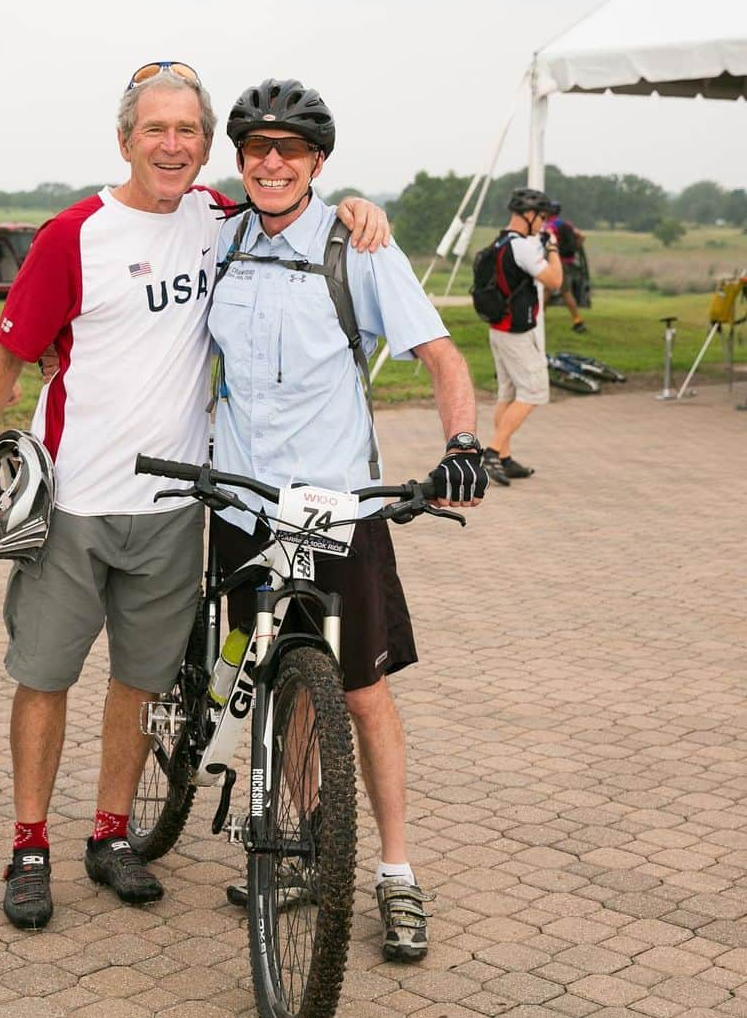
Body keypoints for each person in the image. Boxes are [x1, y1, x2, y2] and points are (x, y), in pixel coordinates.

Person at [0, 62, 389, 932]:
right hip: (74, 501)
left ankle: (110, 836)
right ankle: (29, 846)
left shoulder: (220, 219)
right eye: (156, 130)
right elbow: (2, 361)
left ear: (206, 143)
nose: (173, 146)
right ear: (125, 139)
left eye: (189, 131)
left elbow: (305, 208)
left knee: (140, 684)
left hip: (179, 506)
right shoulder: (75, 236)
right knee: (44, 677)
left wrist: (364, 207)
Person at [208, 78, 487, 964]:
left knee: (361, 693)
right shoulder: (219, 242)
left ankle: (396, 873)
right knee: (274, 684)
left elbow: (441, 357)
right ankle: (299, 849)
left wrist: (465, 444)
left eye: (291, 149)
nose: (273, 162)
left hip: (336, 509)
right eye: (257, 147)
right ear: (242, 161)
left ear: (319, 164)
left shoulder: (357, 246)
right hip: (244, 508)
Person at [480, 188, 562, 485]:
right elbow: (555, 280)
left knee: (509, 393)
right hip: (515, 332)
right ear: (528, 215)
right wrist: (552, 248)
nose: (543, 223)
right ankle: (491, 452)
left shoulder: (503, 241)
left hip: (500, 329)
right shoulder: (524, 247)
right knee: (534, 391)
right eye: (542, 218)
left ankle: (503, 456)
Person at [546, 201, 588, 333]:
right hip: (567, 262)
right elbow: (582, 236)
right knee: (549, 291)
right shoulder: (566, 224)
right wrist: (575, 248)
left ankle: (578, 322)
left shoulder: (548, 225)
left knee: (562, 292)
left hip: (555, 262)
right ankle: (537, 320)